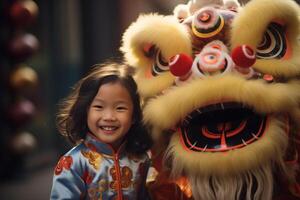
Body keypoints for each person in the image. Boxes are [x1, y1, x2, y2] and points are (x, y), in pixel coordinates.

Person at [50, 62, 153, 200]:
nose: (109, 117)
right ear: (85, 111)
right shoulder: (74, 163)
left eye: (120, 108)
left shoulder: (141, 160)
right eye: (99, 107)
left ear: (134, 116)